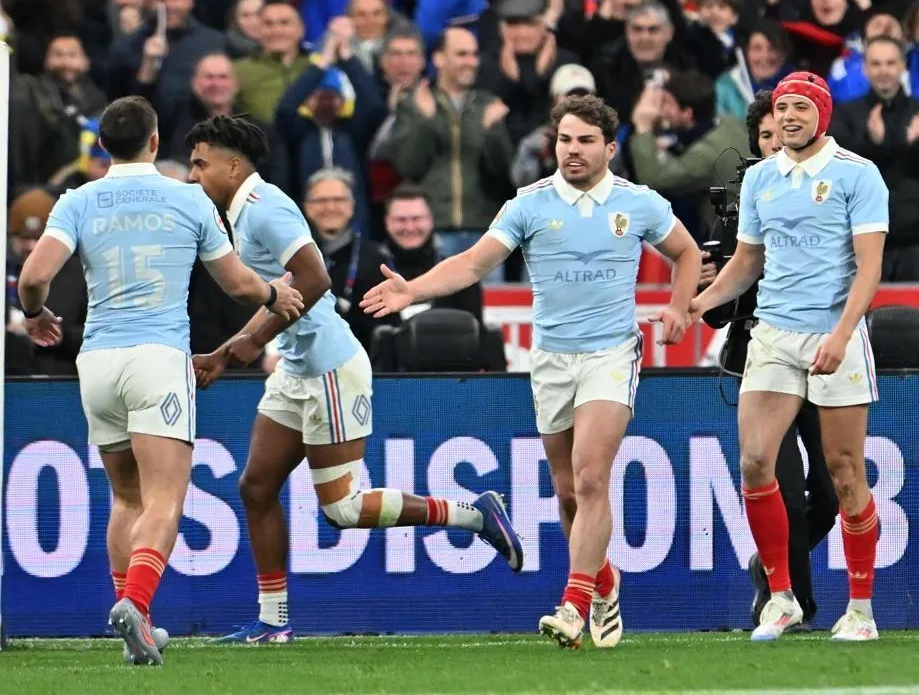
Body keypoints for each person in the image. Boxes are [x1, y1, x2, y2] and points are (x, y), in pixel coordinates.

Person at [361, 95, 701, 650]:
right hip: (550, 361)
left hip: (611, 355)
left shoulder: (639, 203)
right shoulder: (529, 204)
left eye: (585, 141)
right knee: (567, 495)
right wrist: (412, 290)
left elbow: (686, 253)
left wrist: (679, 307)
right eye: (565, 140)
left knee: (591, 478)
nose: (573, 150)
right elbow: (472, 263)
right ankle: (603, 582)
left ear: (610, 148)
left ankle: (573, 605)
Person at [184, 115, 523, 644]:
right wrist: (229, 352)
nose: (192, 175)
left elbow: (316, 278)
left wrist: (255, 340)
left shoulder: (265, 207)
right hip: (297, 367)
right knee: (255, 486)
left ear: (232, 166)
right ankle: (273, 622)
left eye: (200, 164)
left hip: (330, 368)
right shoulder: (242, 211)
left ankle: (474, 515)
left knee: (342, 509)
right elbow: (284, 294)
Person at [16, 96, 305, 665]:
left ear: (103, 145)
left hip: (98, 362)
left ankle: (136, 623)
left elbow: (32, 277)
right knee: (164, 496)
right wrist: (276, 293)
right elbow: (238, 284)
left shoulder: (77, 200)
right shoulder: (187, 198)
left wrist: (35, 314)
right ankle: (138, 604)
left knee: (125, 496)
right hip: (157, 360)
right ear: (154, 142)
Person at [689, 72, 890, 643]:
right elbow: (746, 261)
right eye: (782, 108)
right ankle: (781, 598)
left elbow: (870, 267)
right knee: (755, 461)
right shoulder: (759, 178)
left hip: (834, 333)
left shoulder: (857, 173)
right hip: (773, 335)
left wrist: (843, 334)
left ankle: (861, 610)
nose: (789, 117)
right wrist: (697, 304)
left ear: (822, 114)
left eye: (801, 107)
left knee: (845, 474)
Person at [700, 89, 837, 629]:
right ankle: (793, 604)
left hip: (820, 355)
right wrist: (709, 287)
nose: (777, 140)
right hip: (761, 360)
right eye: (765, 135)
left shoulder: (828, 194)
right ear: (756, 145)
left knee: (831, 492)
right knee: (783, 490)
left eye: (784, 131)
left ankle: (769, 562)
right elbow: (716, 316)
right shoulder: (740, 210)